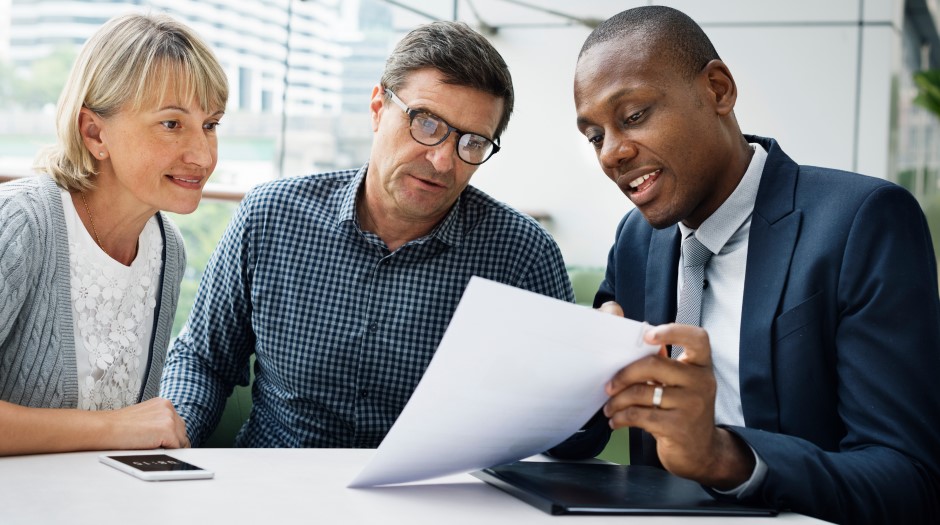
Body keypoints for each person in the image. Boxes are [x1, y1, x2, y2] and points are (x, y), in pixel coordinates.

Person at [561, 5, 940, 524]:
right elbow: (584, 435)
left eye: (633, 116)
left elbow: (910, 480)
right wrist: (570, 381)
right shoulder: (636, 240)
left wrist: (725, 458)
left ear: (718, 90)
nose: (610, 154)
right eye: (594, 137)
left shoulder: (862, 222)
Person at [160, 21, 573, 448]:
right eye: (427, 123)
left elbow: (563, 422)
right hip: (272, 476)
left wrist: (593, 392)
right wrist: (170, 441)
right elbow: (203, 360)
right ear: (378, 107)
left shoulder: (523, 255)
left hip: (430, 487)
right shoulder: (270, 216)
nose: (443, 161)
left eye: (472, 143)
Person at [0, 13, 228, 455]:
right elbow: (125, 428)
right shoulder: (20, 224)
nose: (202, 156)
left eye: (211, 125)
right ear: (94, 133)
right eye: (171, 124)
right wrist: (113, 429)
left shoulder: (167, 249)